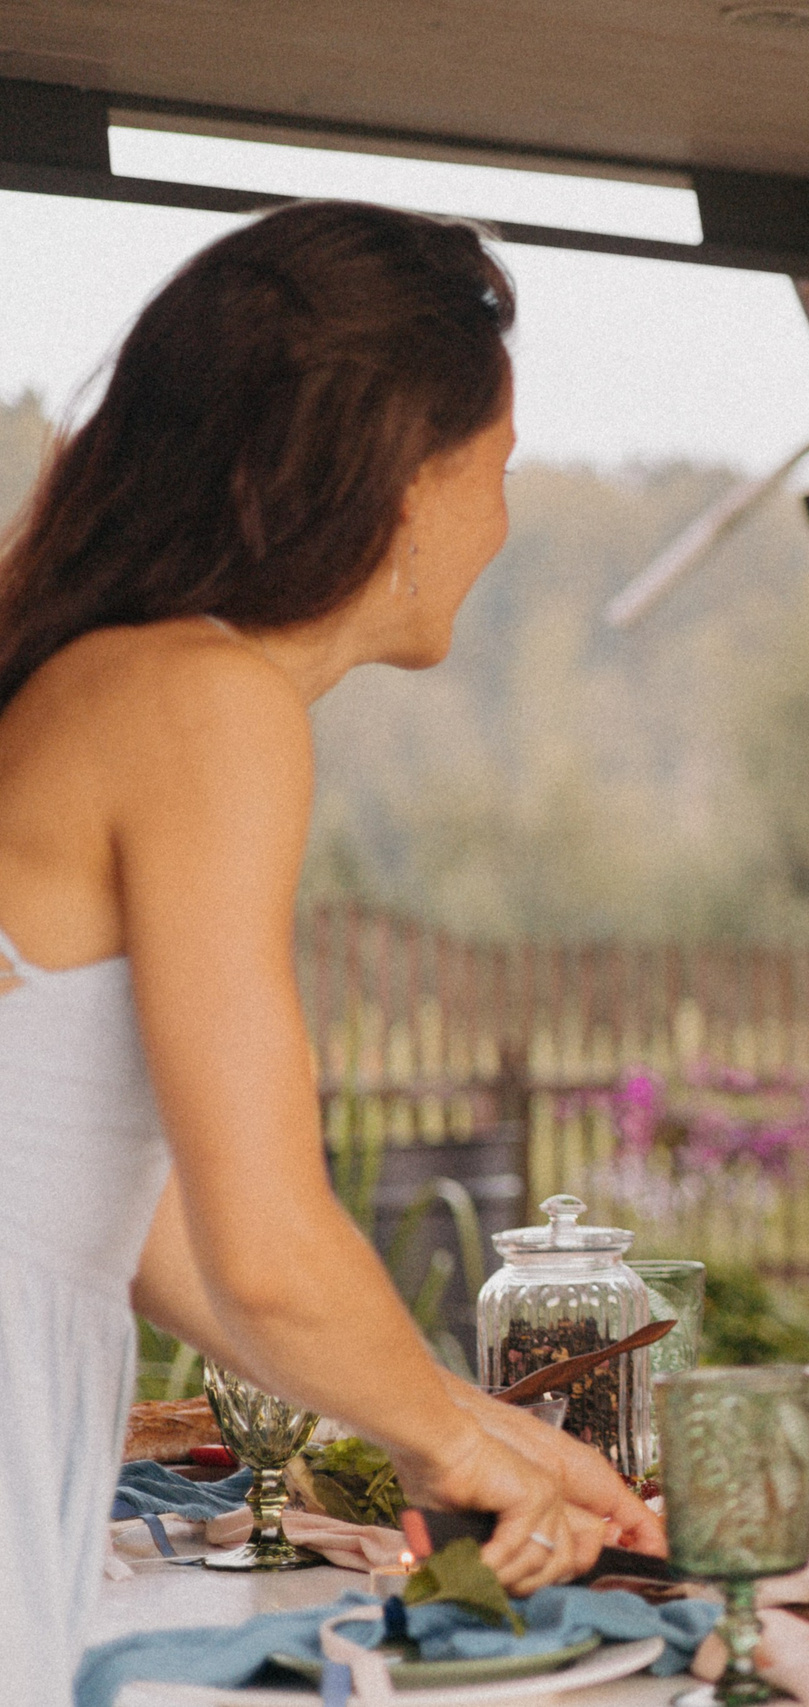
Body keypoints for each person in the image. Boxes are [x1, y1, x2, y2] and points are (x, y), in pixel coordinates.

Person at [0, 201, 658, 1699]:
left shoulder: (98, 677)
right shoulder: (205, 699)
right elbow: (272, 1246)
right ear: (401, 486)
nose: (501, 519)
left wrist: (474, 1421)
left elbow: (150, 1231)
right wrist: (459, 1453)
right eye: (494, 471)